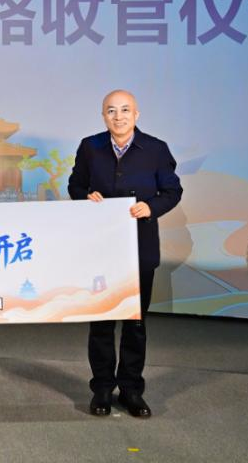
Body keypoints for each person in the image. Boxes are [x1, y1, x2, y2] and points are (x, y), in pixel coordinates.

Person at [67, 89, 182, 419]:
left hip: (139, 247)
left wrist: (151, 207)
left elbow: (172, 191)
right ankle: (102, 388)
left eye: (125, 110)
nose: (118, 117)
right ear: (103, 115)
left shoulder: (156, 149)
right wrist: (86, 196)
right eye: (111, 111)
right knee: (101, 322)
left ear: (137, 114)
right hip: (101, 248)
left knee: (135, 323)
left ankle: (131, 390)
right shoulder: (90, 147)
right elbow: (75, 185)